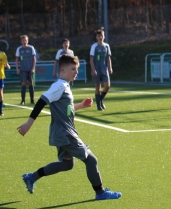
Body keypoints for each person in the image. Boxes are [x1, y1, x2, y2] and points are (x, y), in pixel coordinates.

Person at [17, 54, 121, 200]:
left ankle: (31, 177)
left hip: (61, 133)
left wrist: (81, 106)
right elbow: (41, 101)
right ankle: (100, 192)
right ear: (63, 69)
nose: (76, 72)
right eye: (73, 69)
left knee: (67, 165)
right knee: (92, 160)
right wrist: (29, 123)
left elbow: (65, 109)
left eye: (76, 69)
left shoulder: (64, 85)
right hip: (65, 134)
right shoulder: (59, 85)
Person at [90, 27, 112, 111]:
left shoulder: (107, 46)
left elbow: (108, 58)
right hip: (97, 69)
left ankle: (100, 100)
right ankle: (99, 105)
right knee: (97, 87)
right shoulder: (94, 46)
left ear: (104, 36)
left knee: (107, 86)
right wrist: (93, 70)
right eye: (98, 36)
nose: (100, 37)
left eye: (101, 35)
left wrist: (110, 67)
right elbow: (91, 59)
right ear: (96, 37)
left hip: (104, 69)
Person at [15, 35, 37, 105]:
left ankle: (32, 100)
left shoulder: (31, 48)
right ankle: (23, 100)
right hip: (23, 69)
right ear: (21, 41)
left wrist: (33, 68)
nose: (24, 41)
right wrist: (17, 68)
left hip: (30, 69)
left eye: (26, 40)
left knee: (31, 83)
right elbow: (17, 59)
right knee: (23, 83)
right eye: (23, 40)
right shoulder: (19, 49)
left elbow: (34, 59)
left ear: (28, 41)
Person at [0, 50, 11, 116]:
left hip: (0, 76)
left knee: (0, 93)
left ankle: (0, 109)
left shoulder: (2, 54)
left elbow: (6, 64)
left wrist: (7, 66)